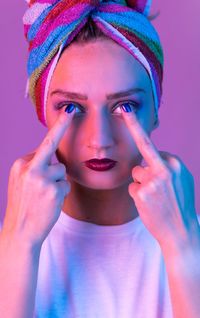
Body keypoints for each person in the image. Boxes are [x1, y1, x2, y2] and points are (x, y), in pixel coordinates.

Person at [0, 1, 200, 317]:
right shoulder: (13, 246)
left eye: (126, 106)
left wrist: (186, 250)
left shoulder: (191, 239)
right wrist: (17, 250)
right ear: (44, 114)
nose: (99, 140)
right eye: (70, 108)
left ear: (155, 112)